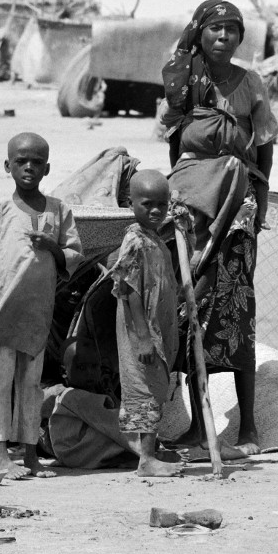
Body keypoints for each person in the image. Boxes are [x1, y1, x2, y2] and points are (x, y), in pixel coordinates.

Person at [160, 0, 278, 455]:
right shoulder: (183, 79)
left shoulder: (250, 82)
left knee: (235, 302)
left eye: (232, 30)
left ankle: (247, 426)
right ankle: (198, 424)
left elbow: (264, 147)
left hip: (239, 201)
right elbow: (174, 143)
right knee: (193, 301)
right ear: (201, 33)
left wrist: (260, 203)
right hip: (192, 199)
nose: (223, 37)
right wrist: (180, 195)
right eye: (215, 29)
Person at [0, 132, 84, 479]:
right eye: (21, 161)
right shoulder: (1, 211)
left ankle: (31, 454)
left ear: (47, 168)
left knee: (31, 382)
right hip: (4, 312)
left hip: (37, 313)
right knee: (0, 379)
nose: (29, 167)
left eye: (37, 162)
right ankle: (2, 454)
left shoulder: (59, 210)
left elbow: (74, 255)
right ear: (8, 166)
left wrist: (52, 247)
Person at [107, 170, 182, 477]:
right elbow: (129, 290)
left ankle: (149, 451)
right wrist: (142, 336)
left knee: (156, 384)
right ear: (131, 203)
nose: (155, 210)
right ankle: (146, 460)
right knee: (145, 387)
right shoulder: (134, 241)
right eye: (147, 204)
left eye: (161, 205)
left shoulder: (154, 238)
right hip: (141, 329)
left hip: (155, 328)